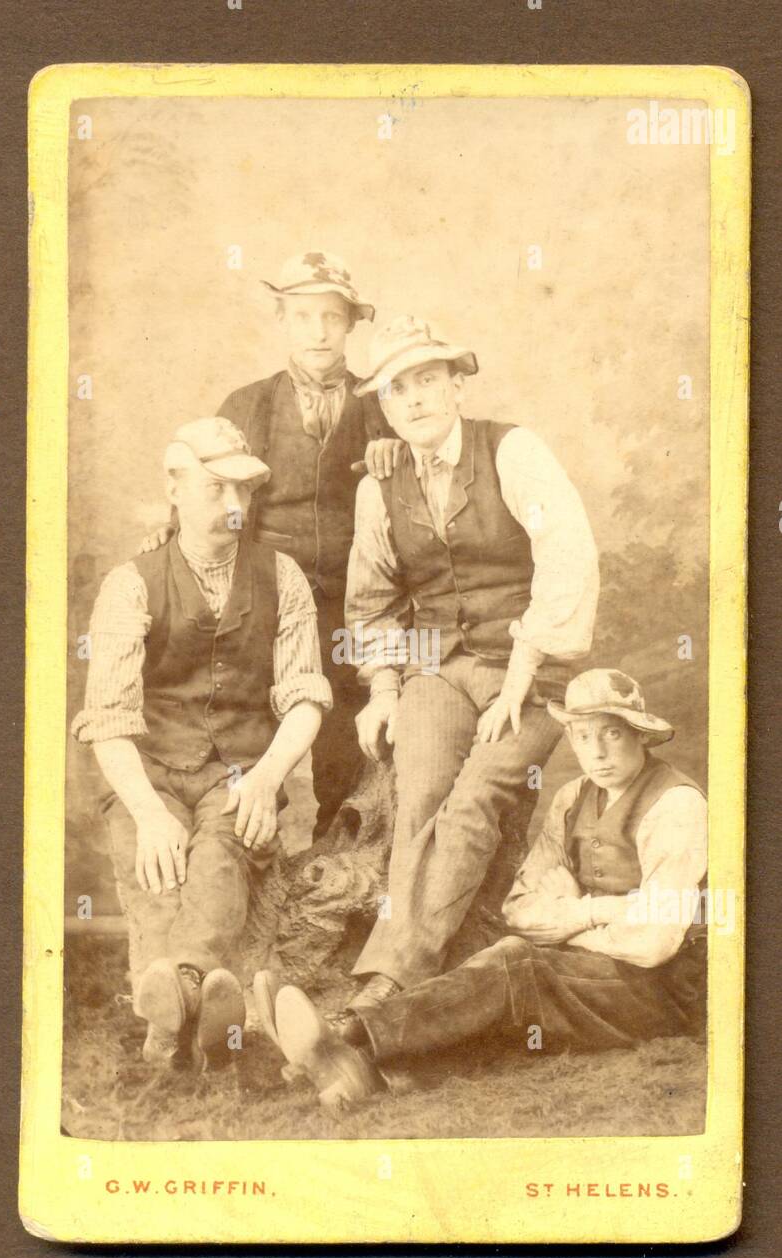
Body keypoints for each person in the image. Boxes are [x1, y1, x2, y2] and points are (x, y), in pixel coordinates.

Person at [255, 669, 708, 1112]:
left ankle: (347, 1035)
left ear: (640, 735)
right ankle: (365, 1071)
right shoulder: (572, 798)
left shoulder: (676, 805)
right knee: (499, 994)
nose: (598, 751)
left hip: (659, 994)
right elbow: (520, 909)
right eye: (584, 736)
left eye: (612, 733)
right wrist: (613, 911)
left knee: (517, 963)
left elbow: (653, 942)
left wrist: (575, 911)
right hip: (586, 974)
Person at [341, 314, 600, 1011]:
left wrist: (520, 675)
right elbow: (371, 600)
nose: (414, 399)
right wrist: (384, 689)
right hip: (436, 666)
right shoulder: (378, 487)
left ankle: (388, 982)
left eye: (427, 380)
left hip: (530, 669)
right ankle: (405, 974)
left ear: (457, 385)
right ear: (384, 405)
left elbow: (568, 556)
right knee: (417, 800)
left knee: (473, 799)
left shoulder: (512, 451)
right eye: (397, 390)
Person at [72, 417, 332, 1068]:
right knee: (156, 867)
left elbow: (305, 695)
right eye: (216, 489)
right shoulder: (131, 583)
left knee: (219, 856)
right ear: (174, 489)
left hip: (239, 771)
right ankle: (195, 1001)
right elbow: (108, 719)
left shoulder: (281, 576)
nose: (234, 505)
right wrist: (149, 812)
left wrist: (268, 777)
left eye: (243, 490)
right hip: (148, 771)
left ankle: (175, 1002)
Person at [142, 251, 402, 839]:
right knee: (250, 719)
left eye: (331, 317)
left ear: (350, 324)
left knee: (345, 728)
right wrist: (172, 528)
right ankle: (249, 851)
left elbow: (416, 497)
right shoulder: (248, 403)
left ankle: (336, 857)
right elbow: (208, 479)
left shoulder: (385, 402)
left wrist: (398, 454)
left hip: (352, 597)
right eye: (303, 316)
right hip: (265, 593)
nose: (318, 331)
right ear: (282, 319)